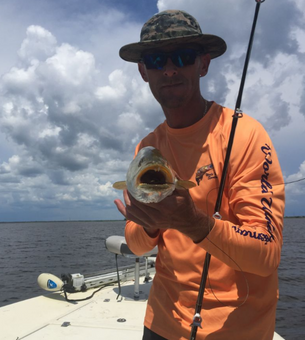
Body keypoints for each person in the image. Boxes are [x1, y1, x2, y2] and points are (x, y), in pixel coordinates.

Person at [114, 9, 285, 340]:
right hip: (162, 321)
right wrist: (150, 223)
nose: (170, 68)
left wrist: (191, 222)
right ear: (143, 71)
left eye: (184, 55)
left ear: (203, 64)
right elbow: (136, 244)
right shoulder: (147, 148)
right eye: (156, 59)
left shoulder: (246, 135)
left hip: (236, 329)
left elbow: (267, 254)